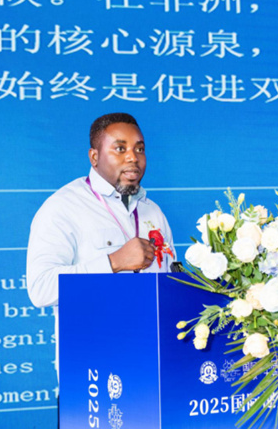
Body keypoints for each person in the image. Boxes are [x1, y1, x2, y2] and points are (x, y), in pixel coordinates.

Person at [26, 112, 176, 360]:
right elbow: (41, 289)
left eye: (139, 149)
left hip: (153, 356)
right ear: (94, 157)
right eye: (120, 148)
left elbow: (171, 283)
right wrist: (114, 262)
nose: (133, 157)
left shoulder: (152, 211)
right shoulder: (62, 208)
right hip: (94, 364)